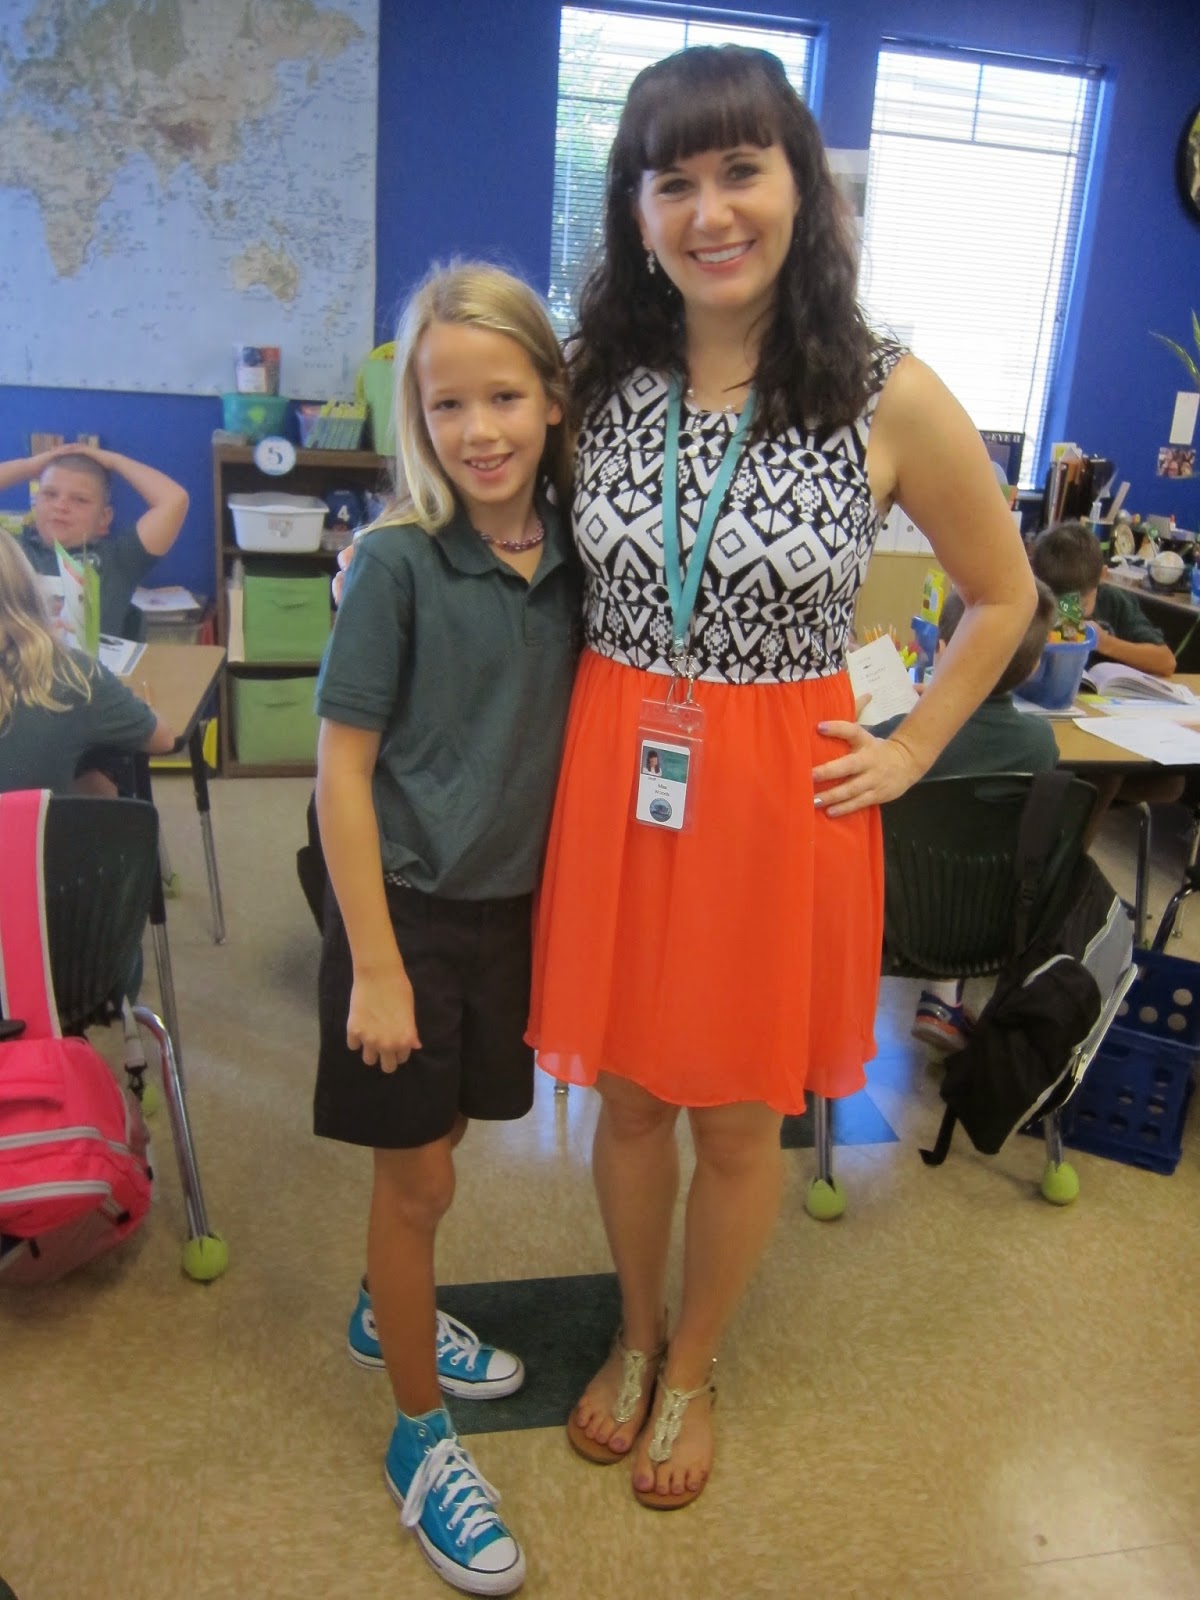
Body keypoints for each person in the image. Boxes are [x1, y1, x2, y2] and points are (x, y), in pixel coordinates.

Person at [526, 44, 1037, 1510]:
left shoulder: (887, 392)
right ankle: (633, 1335)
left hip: (777, 801)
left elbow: (1004, 594)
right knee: (632, 1099)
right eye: (672, 181)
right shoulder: (592, 377)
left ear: (801, 188)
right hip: (623, 773)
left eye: (741, 171)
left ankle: (694, 1366)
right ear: (635, 213)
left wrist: (914, 744)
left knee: (739, 1114)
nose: (710, 212)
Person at [313, 262, 579, 1596]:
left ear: (553, 398)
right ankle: (419, 1436)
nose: (479, 430)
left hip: (510, 914)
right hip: (403, 915)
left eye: (505, 397)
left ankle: (388, 1308)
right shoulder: (399, 563)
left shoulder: (579, 558)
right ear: (417, 417)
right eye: (448, 404)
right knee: (414, 1185)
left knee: (448, 1148)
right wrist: (373, 965)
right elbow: (341, 770)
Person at [872, 581, 1059, 1051]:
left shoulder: (894, 736)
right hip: (994, 928)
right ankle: (944, 1001)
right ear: (1034, 665)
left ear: (940, 649)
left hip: (891, 926)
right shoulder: (1041, 744)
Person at [0, 532, 175, 793]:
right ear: (27, 590)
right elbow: (163, 739)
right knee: (97, 788)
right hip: (34, 820)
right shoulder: (70, 675)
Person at [0, 443, 189, 637]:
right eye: (50, 494)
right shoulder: (10, 552)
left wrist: (113, 461)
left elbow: (174, 499)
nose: (61, 506)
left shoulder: (120, 559)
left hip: (88, 657)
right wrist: (30, 466)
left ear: (104, 518)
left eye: (80, 500)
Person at [1030, 520, 1177, 679]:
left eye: (1082, 605)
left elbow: (1167, 662)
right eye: (1058, 605)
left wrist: (1104, 642)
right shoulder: (1027, 599)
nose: (1071, 614)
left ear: (1102, 576)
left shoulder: (1114, 601)